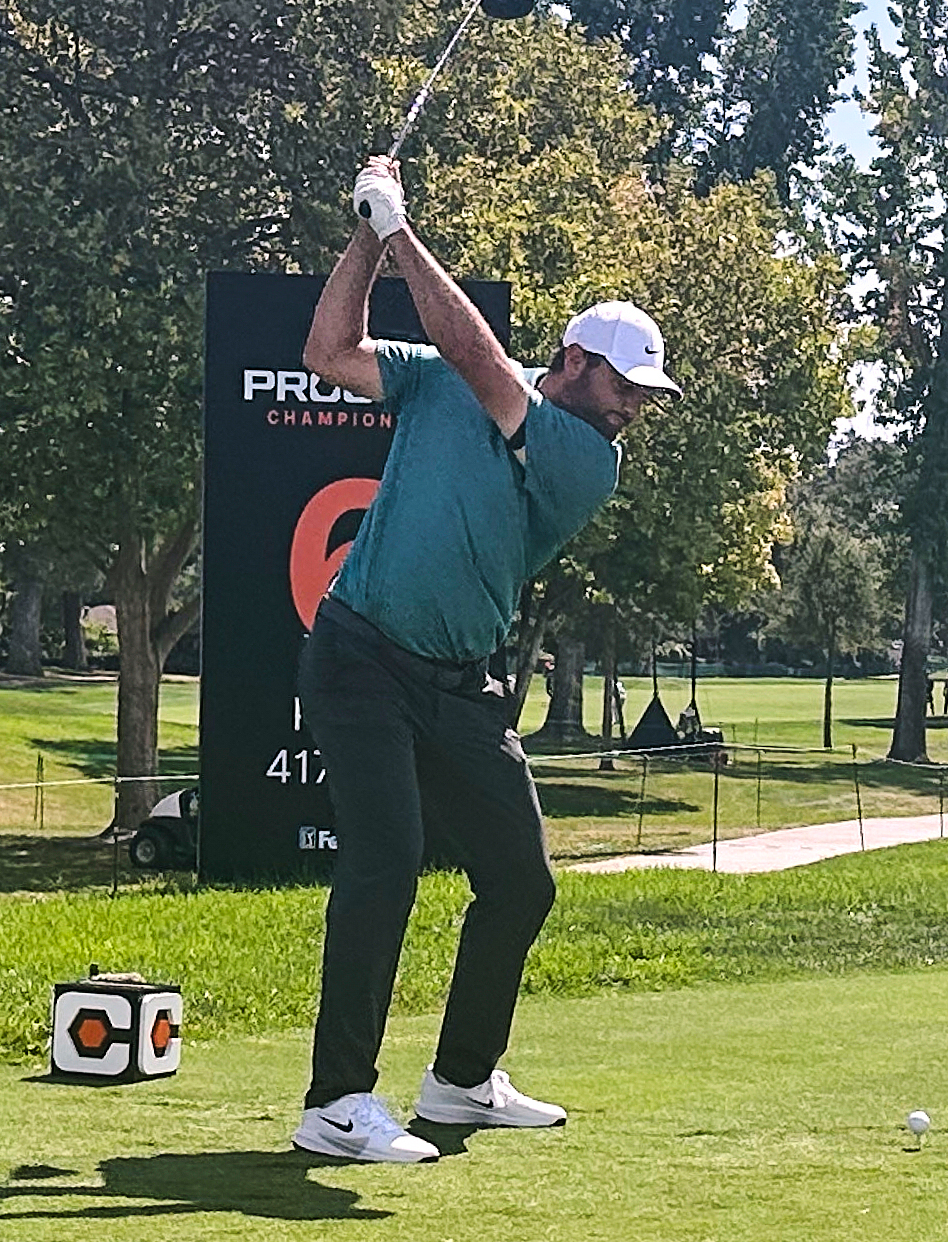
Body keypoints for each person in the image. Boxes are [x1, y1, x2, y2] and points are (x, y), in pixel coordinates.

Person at [291, 157, 680, 1165]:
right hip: (360, 656)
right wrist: (367, 235)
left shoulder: (585, 456)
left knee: (521, 878)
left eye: (645, 393)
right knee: (385, 858)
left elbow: (476, 358)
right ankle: (336, 1101)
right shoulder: (436, 385)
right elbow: (328, 349)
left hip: (461, 683)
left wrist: (401, 230)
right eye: (623, 384)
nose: (634, 405)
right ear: (574, 359)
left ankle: (461, 1080)